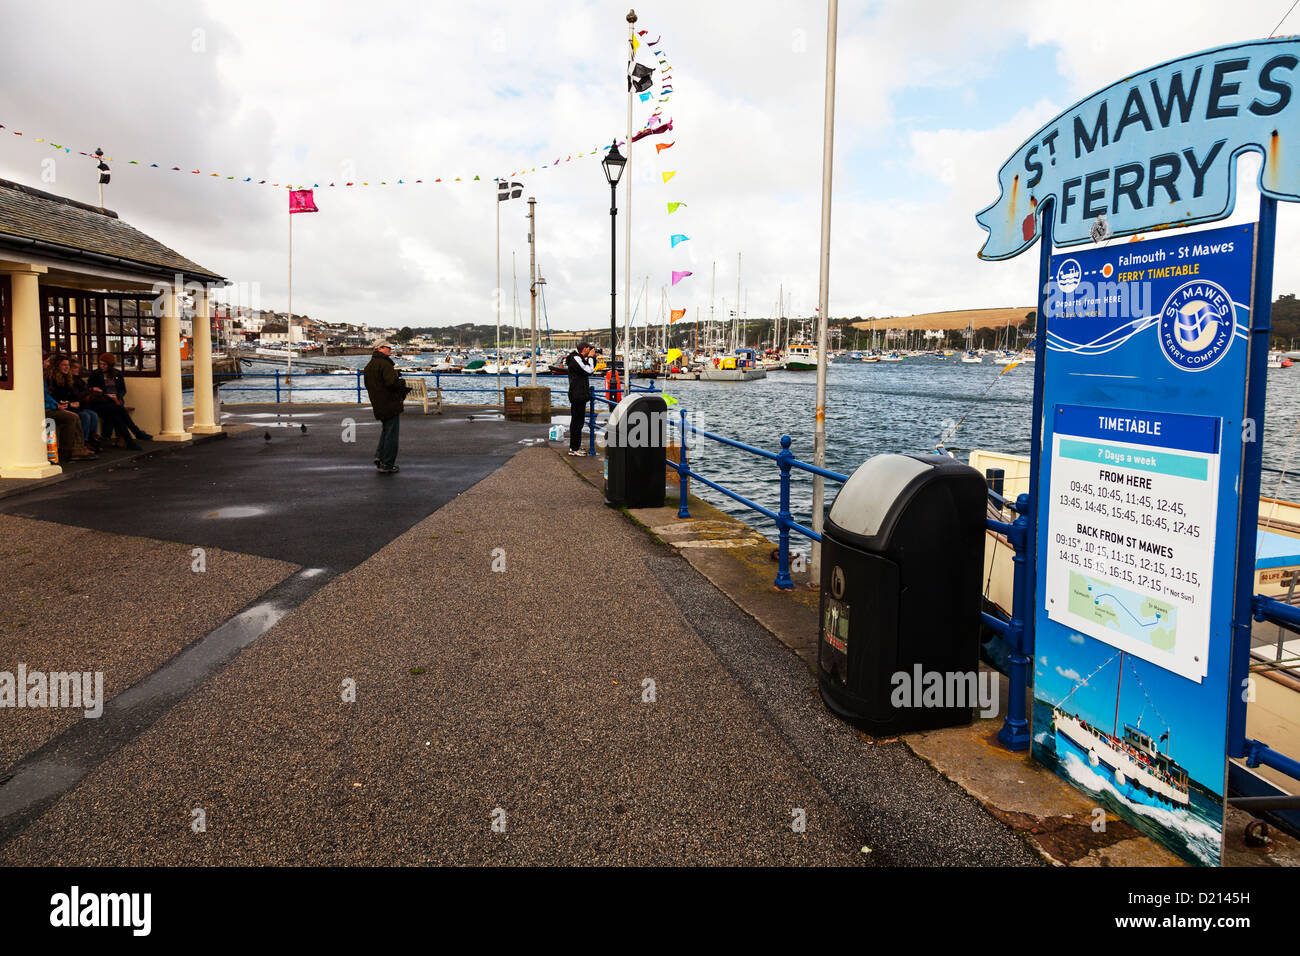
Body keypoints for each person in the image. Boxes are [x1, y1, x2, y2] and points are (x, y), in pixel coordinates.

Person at [86, 353, 152, 448]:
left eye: (104, 364)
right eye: (100, 364)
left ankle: (131, 441)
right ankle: (136, 433)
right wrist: (106, 395)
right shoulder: (95, 375)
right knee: (119, 411)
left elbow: (122, 390)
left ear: (110, 365)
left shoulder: (117, 374)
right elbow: (91, 390)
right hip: (101, 402)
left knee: (117, 415)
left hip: (115, 401)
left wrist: (118, 397)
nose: (101, 366)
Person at [363, 339, 409, 474]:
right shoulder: (385, 364)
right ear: (380, 348)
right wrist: (402, 382)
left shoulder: (369, 366)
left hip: (378, 403)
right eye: (388, 348)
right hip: (389, 403)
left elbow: (370, 384)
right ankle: (387, 464)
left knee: (386, 431)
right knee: (391, 434)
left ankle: (380, 456)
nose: (390, 350)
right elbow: (391, 383)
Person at [45, 355, 101, 452]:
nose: (67, 367)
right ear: (57, 366)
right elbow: (53, 397)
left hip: (66, 405)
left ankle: (89, 442)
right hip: (57, 407)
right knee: (81, 416)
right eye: (64, 365)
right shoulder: (52, 379)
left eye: (68, 365)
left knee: (92, 414)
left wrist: (73, 402)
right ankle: (77, 446)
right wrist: (69, 404)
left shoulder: (68, 378)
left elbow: (72, 395)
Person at [564, 342, 597, 456]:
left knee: (578, 421)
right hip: (577, 394)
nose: (591, 350)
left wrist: (592, 358)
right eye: (589, 349)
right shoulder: (576, 359)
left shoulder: (578, 358)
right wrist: (591, 358)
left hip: (578, 394)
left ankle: (575, 446)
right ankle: (574, 448)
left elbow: (587, 369)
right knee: (577, 422)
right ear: (584, 349)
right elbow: (589, 370)